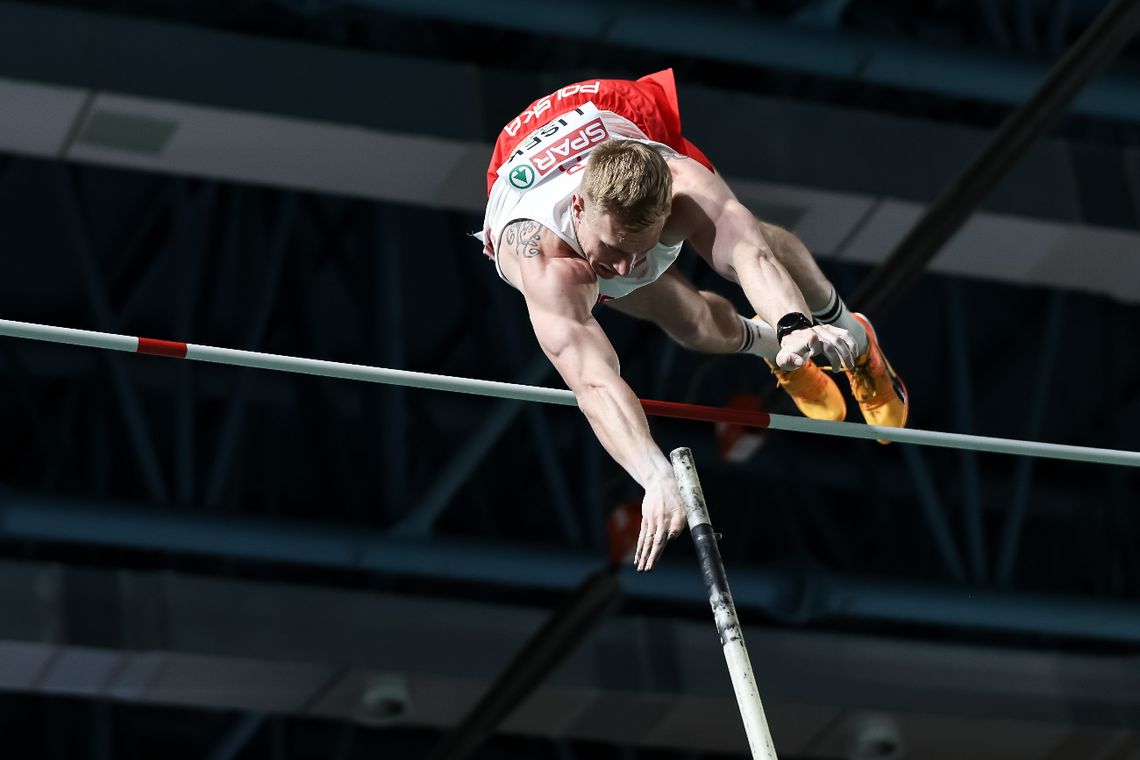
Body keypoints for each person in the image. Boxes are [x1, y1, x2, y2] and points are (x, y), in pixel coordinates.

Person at [479, 70, 908, 572]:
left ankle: (852, 335)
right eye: (614, 251)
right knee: (693, 326)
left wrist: (797, 322)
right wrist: (654, 475)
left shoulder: (683, 185)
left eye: (639, 251)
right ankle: (774, 350)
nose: (623, 271)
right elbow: (593, 383)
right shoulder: (545, 262)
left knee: (751, 234)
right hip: (525, 155)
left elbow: (751, 256)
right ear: (577, 207)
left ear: (666, 214)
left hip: (626, 117)